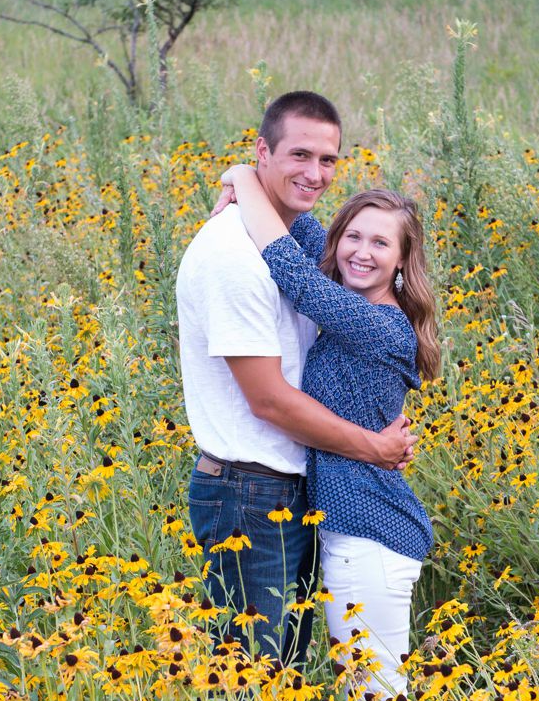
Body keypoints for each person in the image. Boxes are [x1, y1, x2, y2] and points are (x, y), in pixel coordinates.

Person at [175, 91, 414, 669]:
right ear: (263, 151)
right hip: (249, 490)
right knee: (256, 677)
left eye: (328, 160)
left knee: (277, 666)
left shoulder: (360, 306)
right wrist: (375, 446)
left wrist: (245, 177)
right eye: (299, 155)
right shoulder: (235, 256)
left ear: (404, 260)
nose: (315, 174)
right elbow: (271, 403)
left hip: (293, 492)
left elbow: (303, 250)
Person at [215, 163, 441, 701]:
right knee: (366, 699)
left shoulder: (378, 324)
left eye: (381, 243)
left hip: (370, 536)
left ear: (402, 261)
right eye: (355, 236)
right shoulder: (355, 291)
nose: (362, 253)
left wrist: (241, 172)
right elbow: (308, 233)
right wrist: (253, 178)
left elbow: (294, 274)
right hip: (353, 532)